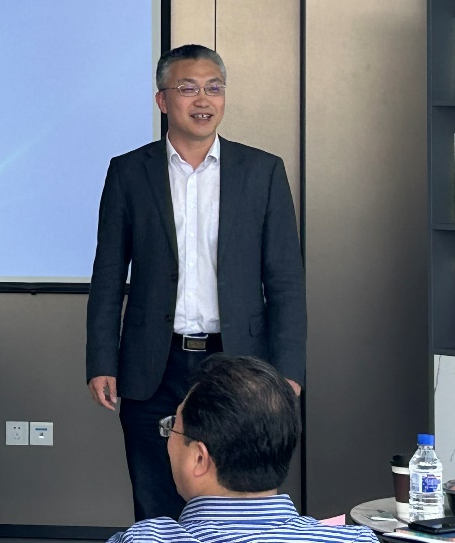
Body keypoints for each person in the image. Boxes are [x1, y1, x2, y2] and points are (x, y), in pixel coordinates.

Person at [87, 44, 307, 521]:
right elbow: (108, 276)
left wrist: (288, 370)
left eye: (214, 88)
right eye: (188, 88)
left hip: (239, 362)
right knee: (155, 500)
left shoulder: (262, 172)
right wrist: (102, 360)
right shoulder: (129, 172)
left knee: (239, 497)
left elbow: (286, 280)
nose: (203, 100)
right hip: (154, 363)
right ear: (162, 100)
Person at [106, 355, 374, 543]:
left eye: (172, 427)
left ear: (199, 458)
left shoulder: (142, 539)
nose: (168, 439)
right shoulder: (356, 539)